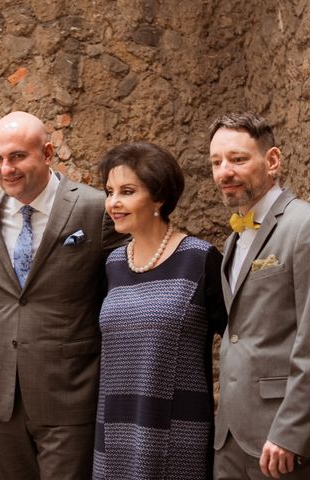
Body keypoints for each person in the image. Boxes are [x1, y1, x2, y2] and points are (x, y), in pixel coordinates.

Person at [0, 111, 126, 479]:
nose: (5, 168)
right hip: (4, 394)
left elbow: (120, 292)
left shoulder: (94, 208)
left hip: (70, 390)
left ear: (46, 153)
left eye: (17, 157)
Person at [209, 112, 310, 479]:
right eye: (216, 162)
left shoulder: (309, 226)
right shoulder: (233, 239)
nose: (225, 172)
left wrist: (291, 432)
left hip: (284, 443)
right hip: (231, 440)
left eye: (238, 159)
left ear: (272, 161)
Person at [92, 142, 227, 479]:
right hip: (114, 430)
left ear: (159, 197)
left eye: (127, 191)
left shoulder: (200, 259)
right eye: (110, 192)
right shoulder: (112, 263)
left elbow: (240, 340)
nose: (114, 203)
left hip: (175, 431)